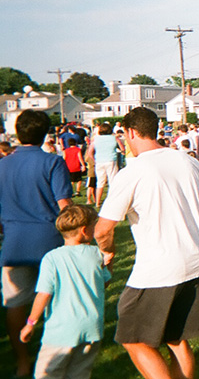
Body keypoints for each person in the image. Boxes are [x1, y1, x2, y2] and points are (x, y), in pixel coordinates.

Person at [94, 107, 199, 379]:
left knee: (132, 338)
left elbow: (103, 228)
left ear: (131, 132)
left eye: (124, 135)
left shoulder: (132, 172)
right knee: (176, 338)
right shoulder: (187, 161)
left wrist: (107, 252)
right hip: (196, 263)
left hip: (158, 271)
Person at [0, 109, 73, 377]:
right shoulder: (52, 162)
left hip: (14, 243)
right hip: (49, 241)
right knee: (57, 301)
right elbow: (64, 204)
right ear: (45, 133)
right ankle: (54, 358)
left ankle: (21, 361)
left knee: (15, 303)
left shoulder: (2, 164)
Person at [21, 204, 111, 379]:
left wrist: (30, 323)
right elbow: (105, 282)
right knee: (79, 374)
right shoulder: (95, 254)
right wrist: (109, 262)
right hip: (92, 327)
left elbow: (43, 294)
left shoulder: (51, 258)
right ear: (85, 230)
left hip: (61, 331)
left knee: (47, 373)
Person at [86, 122, 120, 207]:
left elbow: (90, 152)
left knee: (100, 183)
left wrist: (94, 160)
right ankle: (113, 200)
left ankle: (97, 202)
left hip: (99, 161)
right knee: (112, 181)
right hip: (111, 160)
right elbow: (122, 148)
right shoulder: (114, 138)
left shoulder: (96, 139)